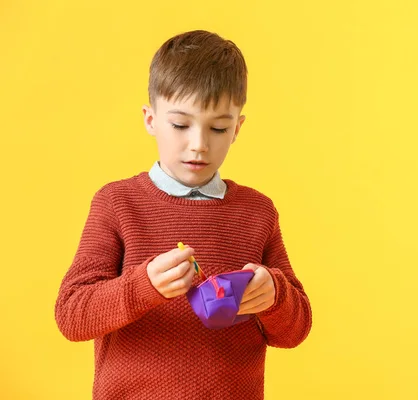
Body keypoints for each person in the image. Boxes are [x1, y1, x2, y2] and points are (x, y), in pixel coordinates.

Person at [55, 29, 312, 400]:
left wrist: (275, 295)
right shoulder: (116, 203)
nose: (199, 144)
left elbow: (295, 331)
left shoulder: (257, 213)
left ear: (238, 128)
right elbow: (72, 315)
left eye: (219, 128)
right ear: (150, 120)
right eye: (180, 125)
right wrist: (143, 286)